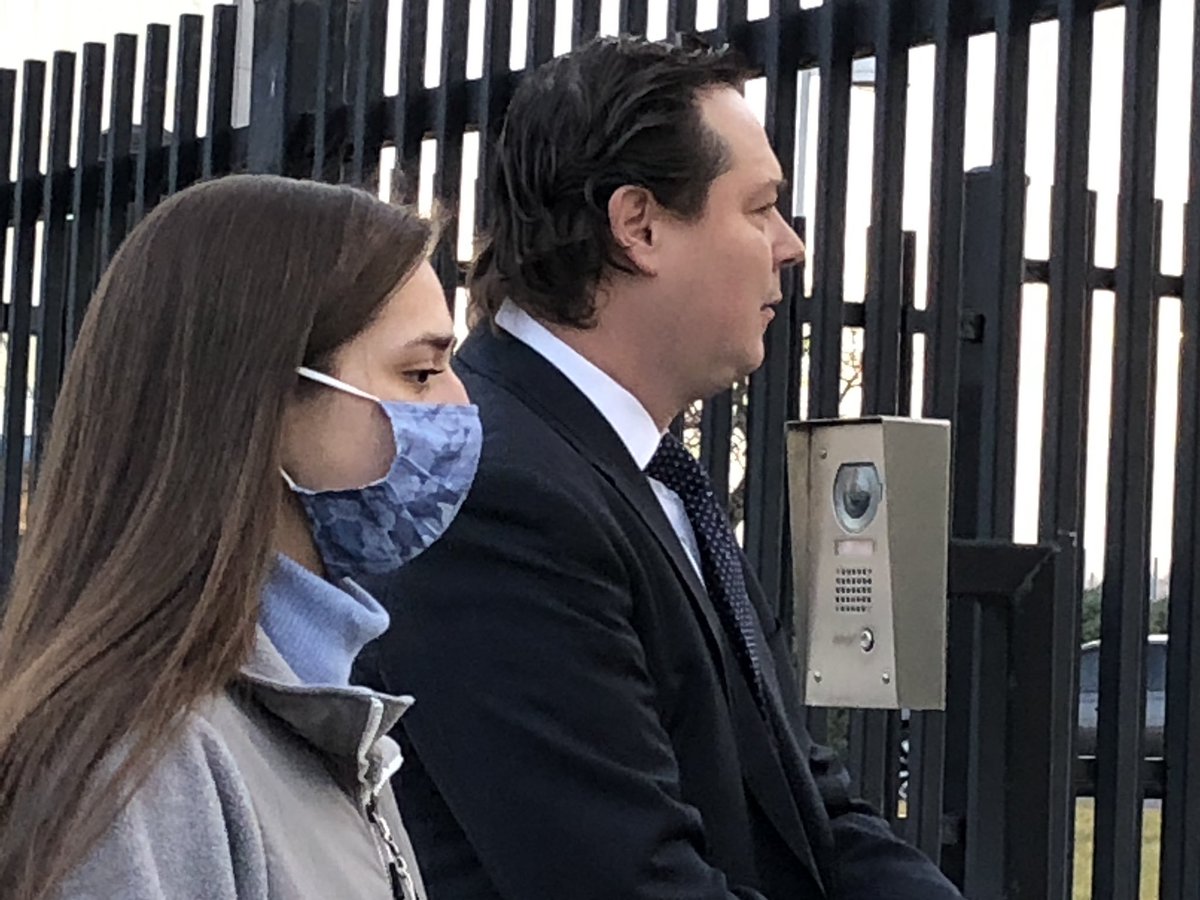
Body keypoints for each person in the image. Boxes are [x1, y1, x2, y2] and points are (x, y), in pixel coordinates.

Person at [355, 36, 963, 899]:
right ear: (638, 226)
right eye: (759, 209)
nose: (788, 245)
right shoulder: (495, 488)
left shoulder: (651, 475)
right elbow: (624, 878)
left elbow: (803, 808)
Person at [0, 175, 482, 900]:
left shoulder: (321, 719)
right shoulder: (145, 766)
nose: (460, 404)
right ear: (262, 403)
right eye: (419, 372)